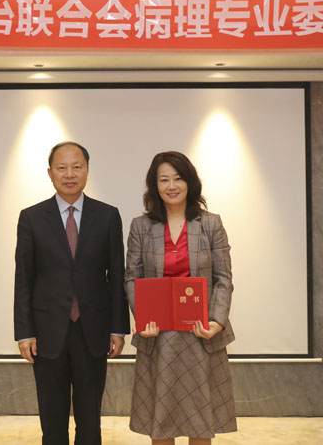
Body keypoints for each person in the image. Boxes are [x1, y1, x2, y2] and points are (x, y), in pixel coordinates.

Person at [14, 141, 130, 445]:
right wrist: (25, 333)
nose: (69, 174)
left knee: (90, 422)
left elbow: (117, 275)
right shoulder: (31, 217)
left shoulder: (107, 216)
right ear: (50, 173)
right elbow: (24, 278)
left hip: (93, 331)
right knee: (52, 422)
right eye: (62, 168)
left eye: (77, 167)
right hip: (46, 332)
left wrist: (118, 329)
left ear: (87, 170)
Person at [125, 151, 237, 445]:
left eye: (178, 178)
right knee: (161, 421)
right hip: (158, 336)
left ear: (190, 182)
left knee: (200, 421)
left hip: (201, 334)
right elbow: (132, 277)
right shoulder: (141, 226)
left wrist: (216, 321)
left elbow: (223, 278)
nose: (172, 186)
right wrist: (144, 318)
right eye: (164, 180)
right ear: (155, 185)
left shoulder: (210, 224)